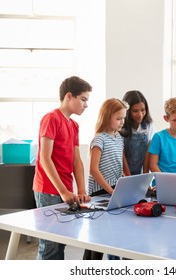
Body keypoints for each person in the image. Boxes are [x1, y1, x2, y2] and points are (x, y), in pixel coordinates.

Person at [33, 76, 92, 260]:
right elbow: (45, 158)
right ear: (69, 96)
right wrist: (64, 191)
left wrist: (80, 189)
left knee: (61, 242)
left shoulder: (74, 125)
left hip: (65, 189)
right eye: (83, 99)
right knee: (50, 245)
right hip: (49, 189)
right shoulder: (51, 119)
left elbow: (77, 161)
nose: (86, 104)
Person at [83, 98, 130, 260]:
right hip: (100, 192)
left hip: (113, 188)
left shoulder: (119, 138)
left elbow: (121, 163)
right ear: (107, 117)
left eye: (123, 118)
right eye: (118, 118)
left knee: (111, 234)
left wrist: (128, 182)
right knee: (97, 238)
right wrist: (111, 191)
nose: (122, 122)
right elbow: (93, 169)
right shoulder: (99, 139)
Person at [120, 90, 155, 175]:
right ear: (127, 112)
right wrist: (128, 178)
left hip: (140, 173)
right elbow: (121, 155)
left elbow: (148, 153)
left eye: (143, 110)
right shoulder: (121, 125)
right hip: (122, 174)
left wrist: (145, 177)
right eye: (135, 111)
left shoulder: (148, 125)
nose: (140, 114)